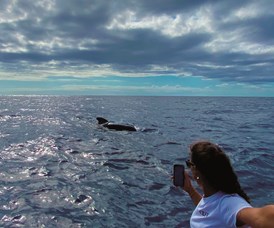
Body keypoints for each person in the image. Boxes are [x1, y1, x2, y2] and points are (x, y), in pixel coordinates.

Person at [181, 140, 274, 228]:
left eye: (189, 163)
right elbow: (210, 213)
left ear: (196, 171)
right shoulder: (215, 198)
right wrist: (190, 190)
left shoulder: (229, 203)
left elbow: (264, 218)